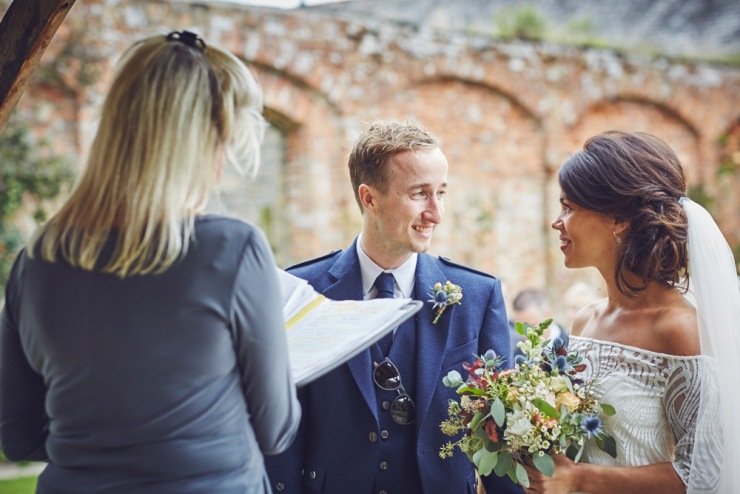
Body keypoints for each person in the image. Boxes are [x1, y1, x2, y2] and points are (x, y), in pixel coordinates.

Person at [0, 31, 300, 493]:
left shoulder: (36, 262)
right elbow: (277, 429)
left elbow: (17, 436)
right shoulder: (232, 249)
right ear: (204, 141)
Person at [265, 120, 520, 494]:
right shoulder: (302, 289)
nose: (436, 212)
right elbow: (280, 430)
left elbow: (499, 435)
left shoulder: (477, 295)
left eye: (441, 193)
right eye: (420, 194)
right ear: (369, 198)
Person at [528, 130, 740, 493]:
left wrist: (581, 479)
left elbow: (704, 473)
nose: (557, 222)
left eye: (569, 207)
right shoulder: (585, 319)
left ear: (618, 219)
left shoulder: (679, 328)